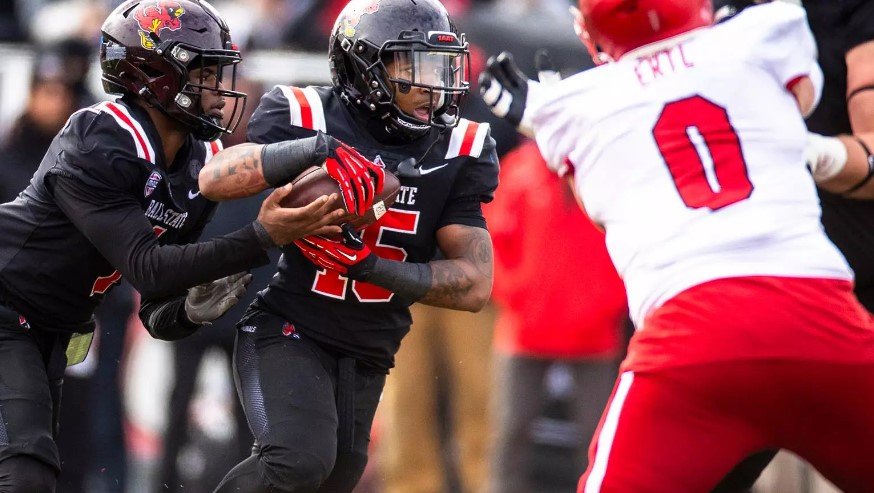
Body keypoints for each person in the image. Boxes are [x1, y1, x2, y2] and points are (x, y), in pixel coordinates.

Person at [479, 0, 874, 491]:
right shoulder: (763, 33)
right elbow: (803, 96)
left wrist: (547, 115)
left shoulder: (577, 105)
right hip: (816, 313)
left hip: (690, 335)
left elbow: (600, 204)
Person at [0, 0, 347, 489]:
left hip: (54, 328)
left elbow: (157, 309)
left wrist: (190, 312)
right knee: (25, 472)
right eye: (204, 73)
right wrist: (263, 235)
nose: (219, 91)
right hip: (7, 309)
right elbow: (150, 268)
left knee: (52, 466)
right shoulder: (101, 136)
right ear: (155, 75)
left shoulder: (197, 158)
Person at [199, 0, 499, 490]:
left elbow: (474, 284)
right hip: (290, 327)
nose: (434, 85)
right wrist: (316, 149)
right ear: (365, 69)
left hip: (369, 348)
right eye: (414, 66)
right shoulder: (307, 115)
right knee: (297, 460)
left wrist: (369, 266)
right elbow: (213, 179)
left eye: (442, 66)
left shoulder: (460, 148)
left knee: (333, 478)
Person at [712, 0, 874, 490]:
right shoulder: (698, 13)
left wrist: (805, 151)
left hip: (854, 279)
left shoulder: (848, 10)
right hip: (737, 282)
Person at [485, 140, 627, 493]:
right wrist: (515, 294)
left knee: (600, 437)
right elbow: (488, 241)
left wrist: (607, 304)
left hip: (594, 333)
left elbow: (631, 242)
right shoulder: (520, 169)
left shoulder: (607, 168)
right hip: (524, 329)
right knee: (509, 431)